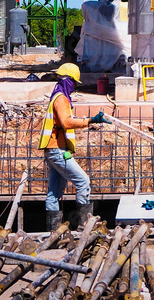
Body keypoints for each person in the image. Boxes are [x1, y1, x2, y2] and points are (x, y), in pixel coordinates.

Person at [38, 64, 107, 230]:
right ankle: (84, 225)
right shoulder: (61, 99)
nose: (75, 86)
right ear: (69, 81)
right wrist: (90, 120)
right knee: (83, 181)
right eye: (74, 82)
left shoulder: (56, 96)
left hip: (53, 149)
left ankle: (54, 232)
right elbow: (66, 122)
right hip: (57, 150)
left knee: (54, 192)